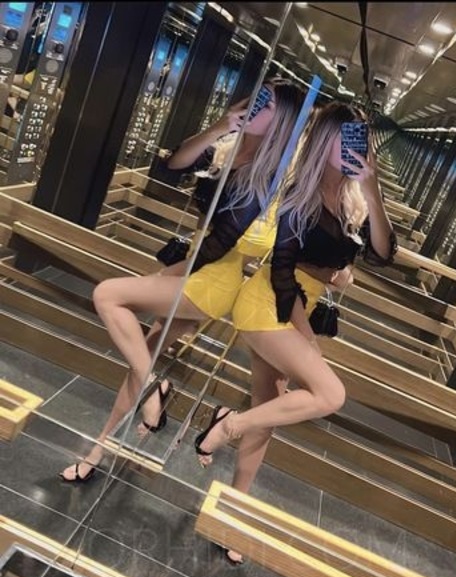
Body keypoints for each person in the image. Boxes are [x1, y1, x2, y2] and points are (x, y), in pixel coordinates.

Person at [59, 78, 306, 483]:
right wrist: (220, 126)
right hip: (195, 267)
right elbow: (171, 165)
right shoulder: (227, 146)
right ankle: (99, 450)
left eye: (268, 106)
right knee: (143, 356)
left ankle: (151, 391)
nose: (257, 108)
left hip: (212, 280)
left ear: (283, 122)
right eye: (258, 98)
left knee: (109, 296)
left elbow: (255, 240)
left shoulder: (274, 177)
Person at [192, 101, 398, 564]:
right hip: (270, 305)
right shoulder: (298, 195)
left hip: (296, 309)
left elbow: (384, 253)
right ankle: (229, 422)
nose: (352, 147)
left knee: (268, 414)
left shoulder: (353, 199)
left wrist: (373, 189)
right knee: (329, 393)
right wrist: (307, 340)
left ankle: (232, 514)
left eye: (358, 139)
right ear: (324, 140)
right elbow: (282, 275)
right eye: (343, 137)